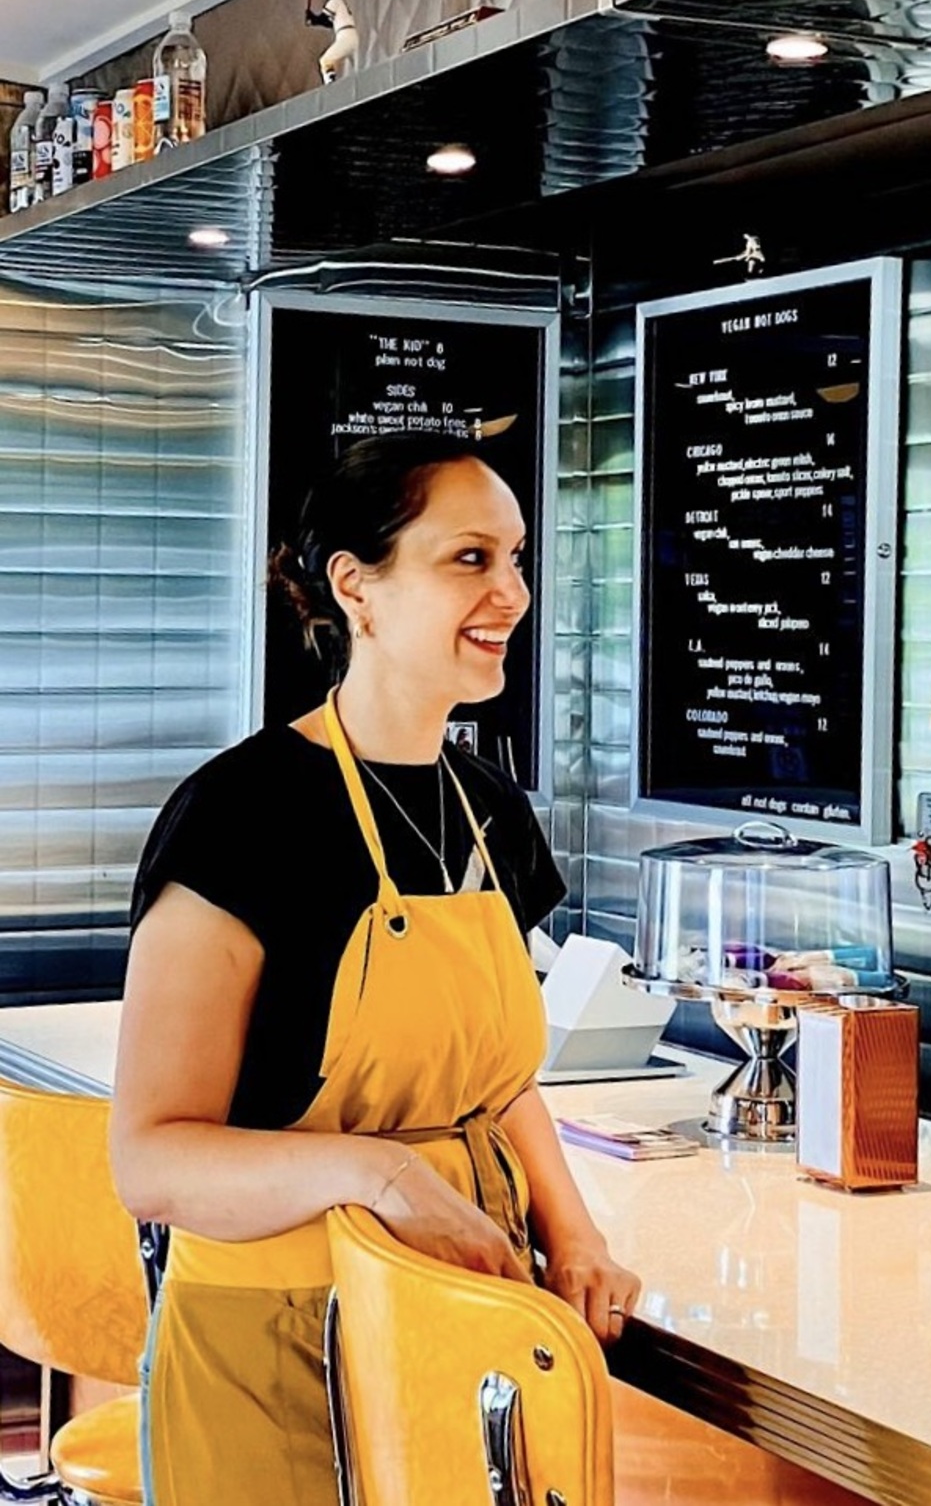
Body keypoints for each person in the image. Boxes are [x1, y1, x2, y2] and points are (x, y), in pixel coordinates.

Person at [110, 433, 640, 1506]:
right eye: (470, 559)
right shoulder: (241, 816)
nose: (515, 593)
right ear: (356, 586)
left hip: (464, 1324)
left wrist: (574, 1231)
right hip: (275, 1344)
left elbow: (494, 1082)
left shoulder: (488, 809)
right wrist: (381, 1173)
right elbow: (153, 1161)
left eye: (518, 558)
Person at [305, 0, 359, 82]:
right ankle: (331, 79)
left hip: (346, 36)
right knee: (330, 62)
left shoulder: (333, 1)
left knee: (325, 60)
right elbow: (329, 23)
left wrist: (311, 16)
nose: (323, 0)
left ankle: (330, 83)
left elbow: (322, 18)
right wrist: (313, 20)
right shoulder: (339, 2)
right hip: (348, 36)